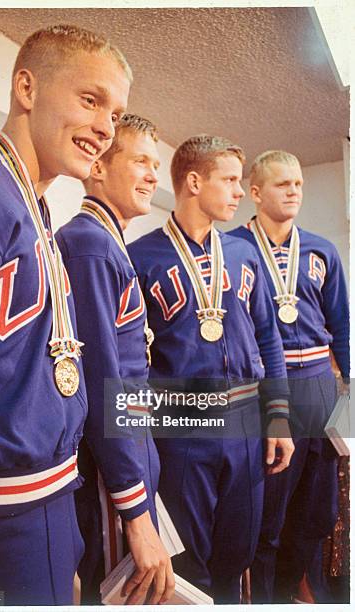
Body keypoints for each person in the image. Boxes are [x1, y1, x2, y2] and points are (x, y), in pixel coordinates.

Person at [0, 24, 131, 606]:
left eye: (117, 114)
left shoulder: (38, 209)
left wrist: (56, 542)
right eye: (91, 100)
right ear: (26, 87)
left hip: (47, 502)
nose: (106, 128)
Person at [128, 135, 294, 603]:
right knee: (187, 562)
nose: (240, 192)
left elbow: (269, 338)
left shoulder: (244, 256)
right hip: (181, 428)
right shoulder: (140, 258)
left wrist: (278, 415)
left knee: (237, 553)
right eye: (230, 180)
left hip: (244, 424)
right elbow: (130, 364)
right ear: (195, 182)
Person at [56, 114, 174, 606]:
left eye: (157, 164)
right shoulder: (89, 245)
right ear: (98, 167)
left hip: (127, 463)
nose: (153, 176)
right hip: (109, 477)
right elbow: (106, 390)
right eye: (141, 161)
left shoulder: (107, 242)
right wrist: (136, 513)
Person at [229, 150, 349, 603]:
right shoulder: (233, 249)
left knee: (319, 513)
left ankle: (293, 591)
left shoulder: (322, 250)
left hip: (321, 387)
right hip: (268, 392)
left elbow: (342, 325)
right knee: (267, 515)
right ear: (255, 193)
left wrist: (350, 402)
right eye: (283, 184)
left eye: (298, 183)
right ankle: (261, 600)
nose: (295, 191)